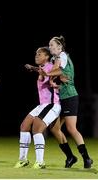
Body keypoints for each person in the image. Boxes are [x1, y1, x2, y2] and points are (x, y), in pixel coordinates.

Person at [43, 35, 93, 168]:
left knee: (71, 128)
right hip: (61, 98)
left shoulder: (62, 56)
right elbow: (58, 74)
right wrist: (54, 82)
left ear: (59, 47)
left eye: (52, 45)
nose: (50, 47)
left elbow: (57, 70)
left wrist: (49, 74)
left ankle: (87, 158)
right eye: (49, 44)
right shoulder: (56, 58)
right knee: (54, 128)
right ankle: (70, 157)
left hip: (70, 96)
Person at [14, 46, 61, 169]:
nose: (36, 55)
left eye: (39, 54)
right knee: (24, 126)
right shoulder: (43, 68)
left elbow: (46, 74)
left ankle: (40, 162)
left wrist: (33, 68)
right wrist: (35, 68)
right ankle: (23, 159)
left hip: (52, 104)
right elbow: (41, 72)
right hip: (42, 105)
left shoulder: (51, 67)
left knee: (37, 128)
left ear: (47, 57)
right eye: (36, 53)